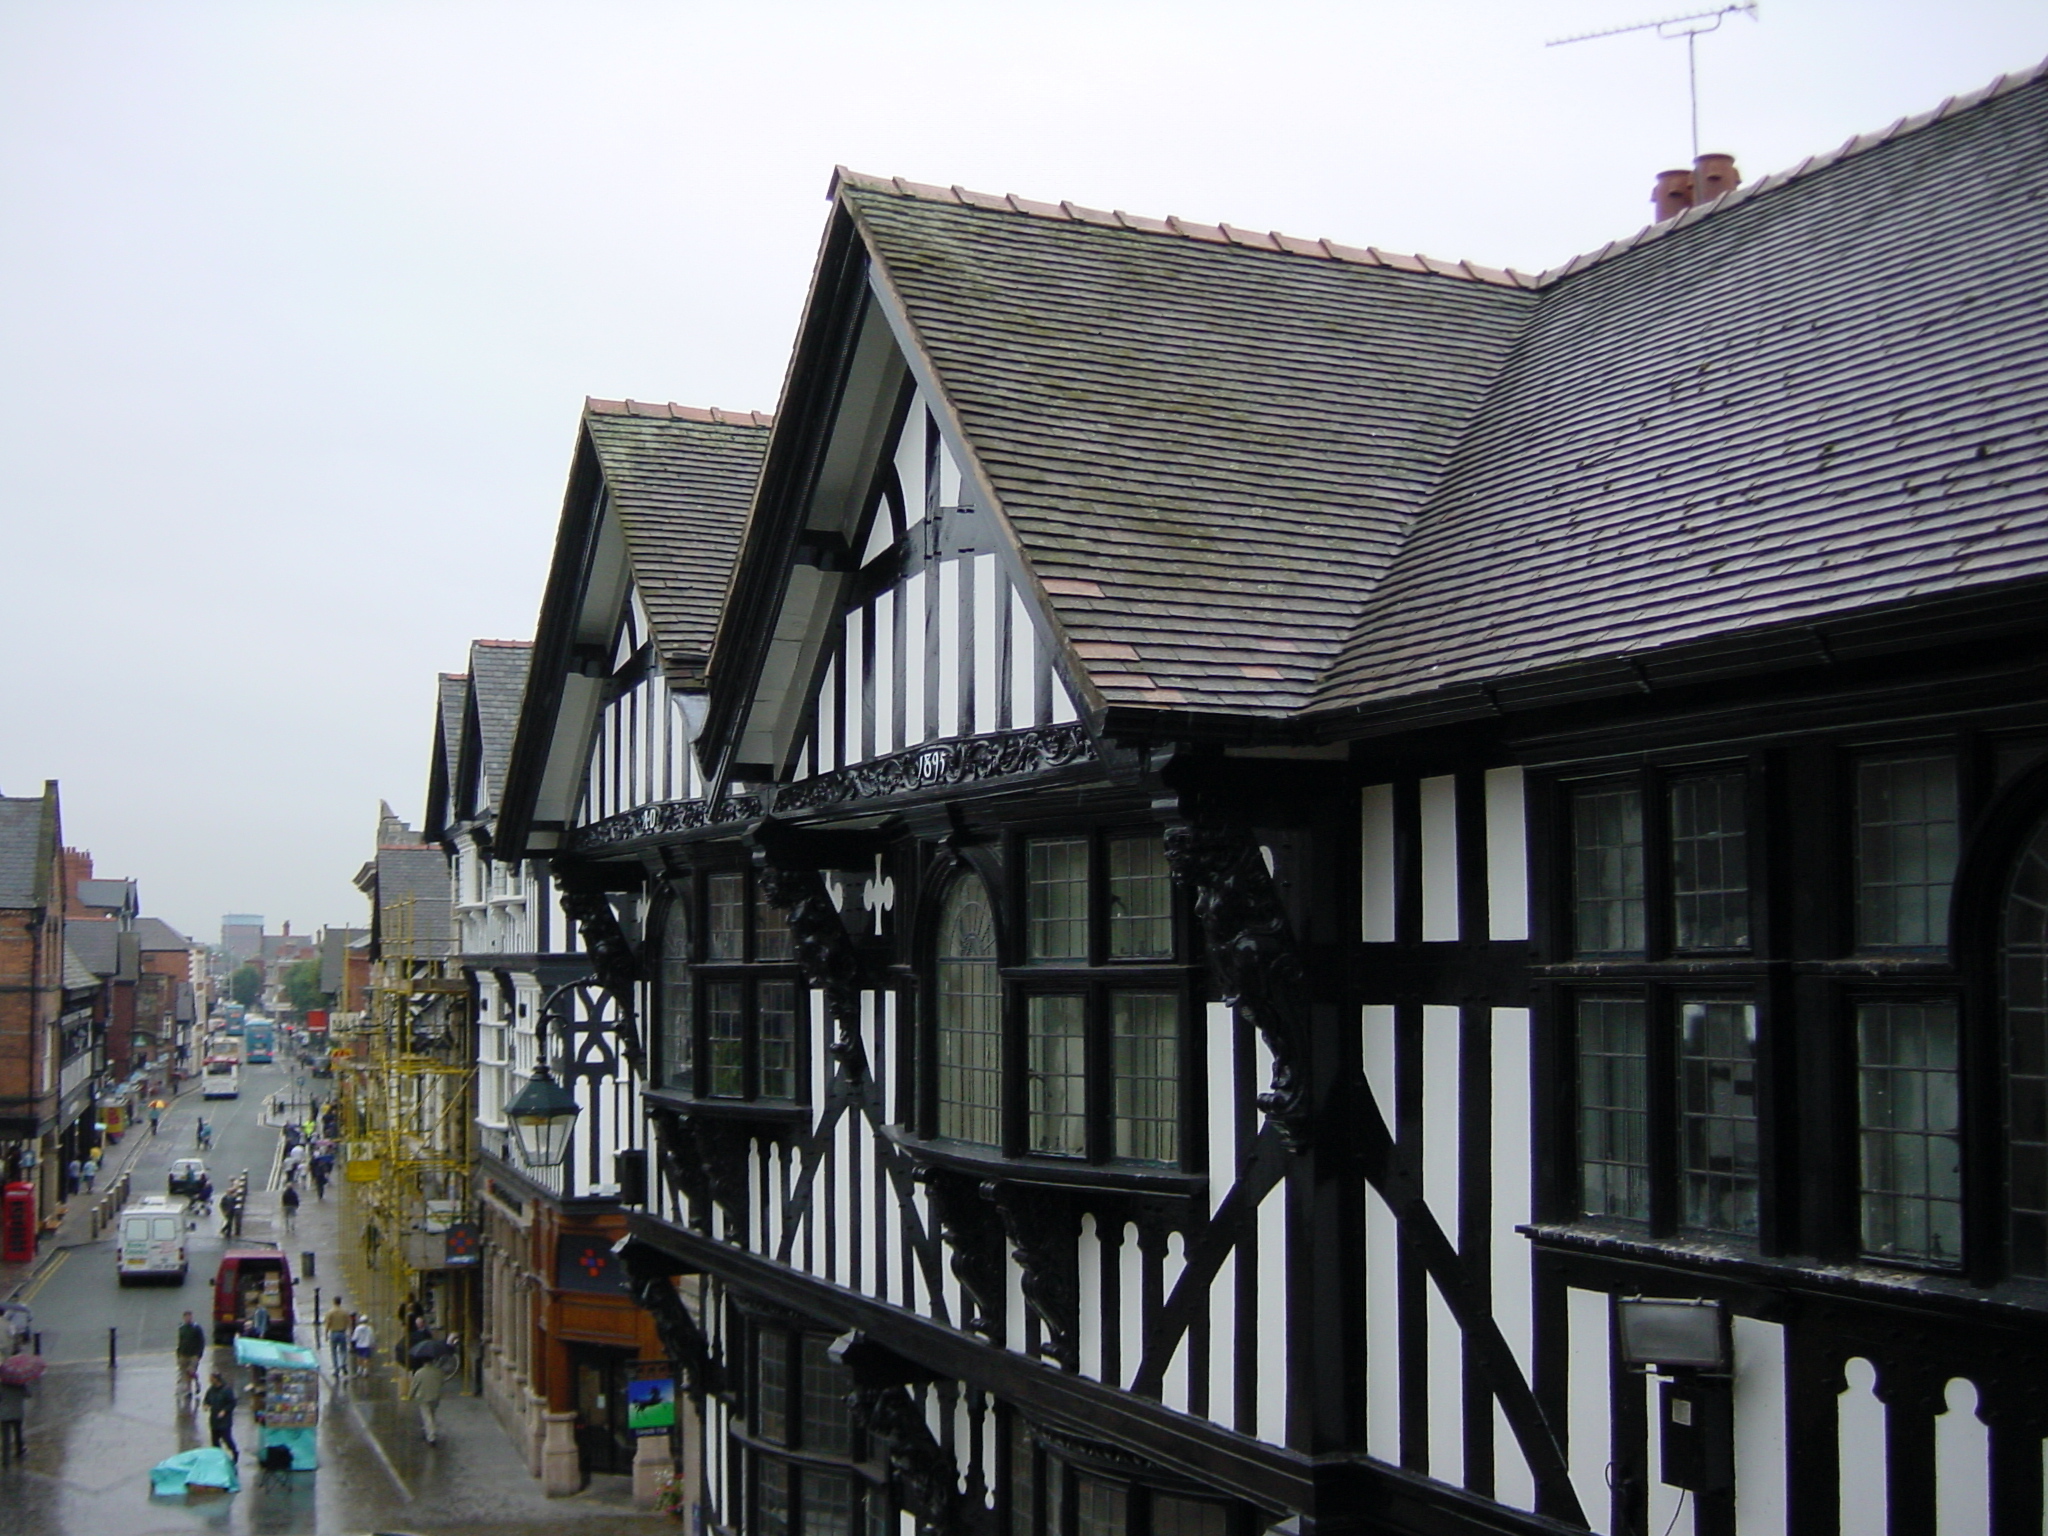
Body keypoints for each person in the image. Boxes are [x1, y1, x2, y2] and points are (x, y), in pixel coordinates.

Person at [203, 1372, 238, 1459]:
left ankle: (234, 1452)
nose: (210, 1381)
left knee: (226, 1439)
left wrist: (225, 1411)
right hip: (214, 1420)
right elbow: (206, 1400)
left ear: (216, 1379)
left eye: (211, 1379)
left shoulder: (226, 1390)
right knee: (215, 1441)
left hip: (224, 1421)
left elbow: (232, 1403)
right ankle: (217, 1458)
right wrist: (206, 1405)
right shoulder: (211, 1390)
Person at [409, 1356, 443, 1444]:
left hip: (423, 1397)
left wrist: (410, 1396)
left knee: (427, 1416)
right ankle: (430, 1430)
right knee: (432, 1414)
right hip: (435, 1397)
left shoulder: (419, 1373)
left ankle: (431, 1436)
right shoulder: (438, 1371)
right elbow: (441, 1382)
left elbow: (414, 1386)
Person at [175, 1310, 206, 1401]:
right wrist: (179, 1352)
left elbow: (201, 1341)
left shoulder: (196, 1328)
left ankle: (196, 1382)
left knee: (190, 1371)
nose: (188, 1319)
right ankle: (188, 1390)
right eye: (186, 1317)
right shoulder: (182, 1328)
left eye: (189, 1317)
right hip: (183, 1354)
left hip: (194, 1354)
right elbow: (180, 1341)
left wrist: (199, 1353)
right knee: (183, 1373)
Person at [0, 1375, 27, 1458]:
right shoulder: (21, 1384)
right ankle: (19, 1451)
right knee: (18, 1432)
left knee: (5, 1436)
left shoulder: (2, 1385)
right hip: (17, 1413)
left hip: (4, 1414)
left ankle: (5, 1456)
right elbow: (28, 1395)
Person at [325, 1299, 350, 1377]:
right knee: (343, 1350)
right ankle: (343, 1363)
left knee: (334, 1352)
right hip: (342, 1332)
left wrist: (326, 1333)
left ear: (334, 1302)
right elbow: (349, 1322)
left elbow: (328, 1323)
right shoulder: (344, 1312)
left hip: (334, 1333)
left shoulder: (330, 1312)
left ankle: (336, 1369)